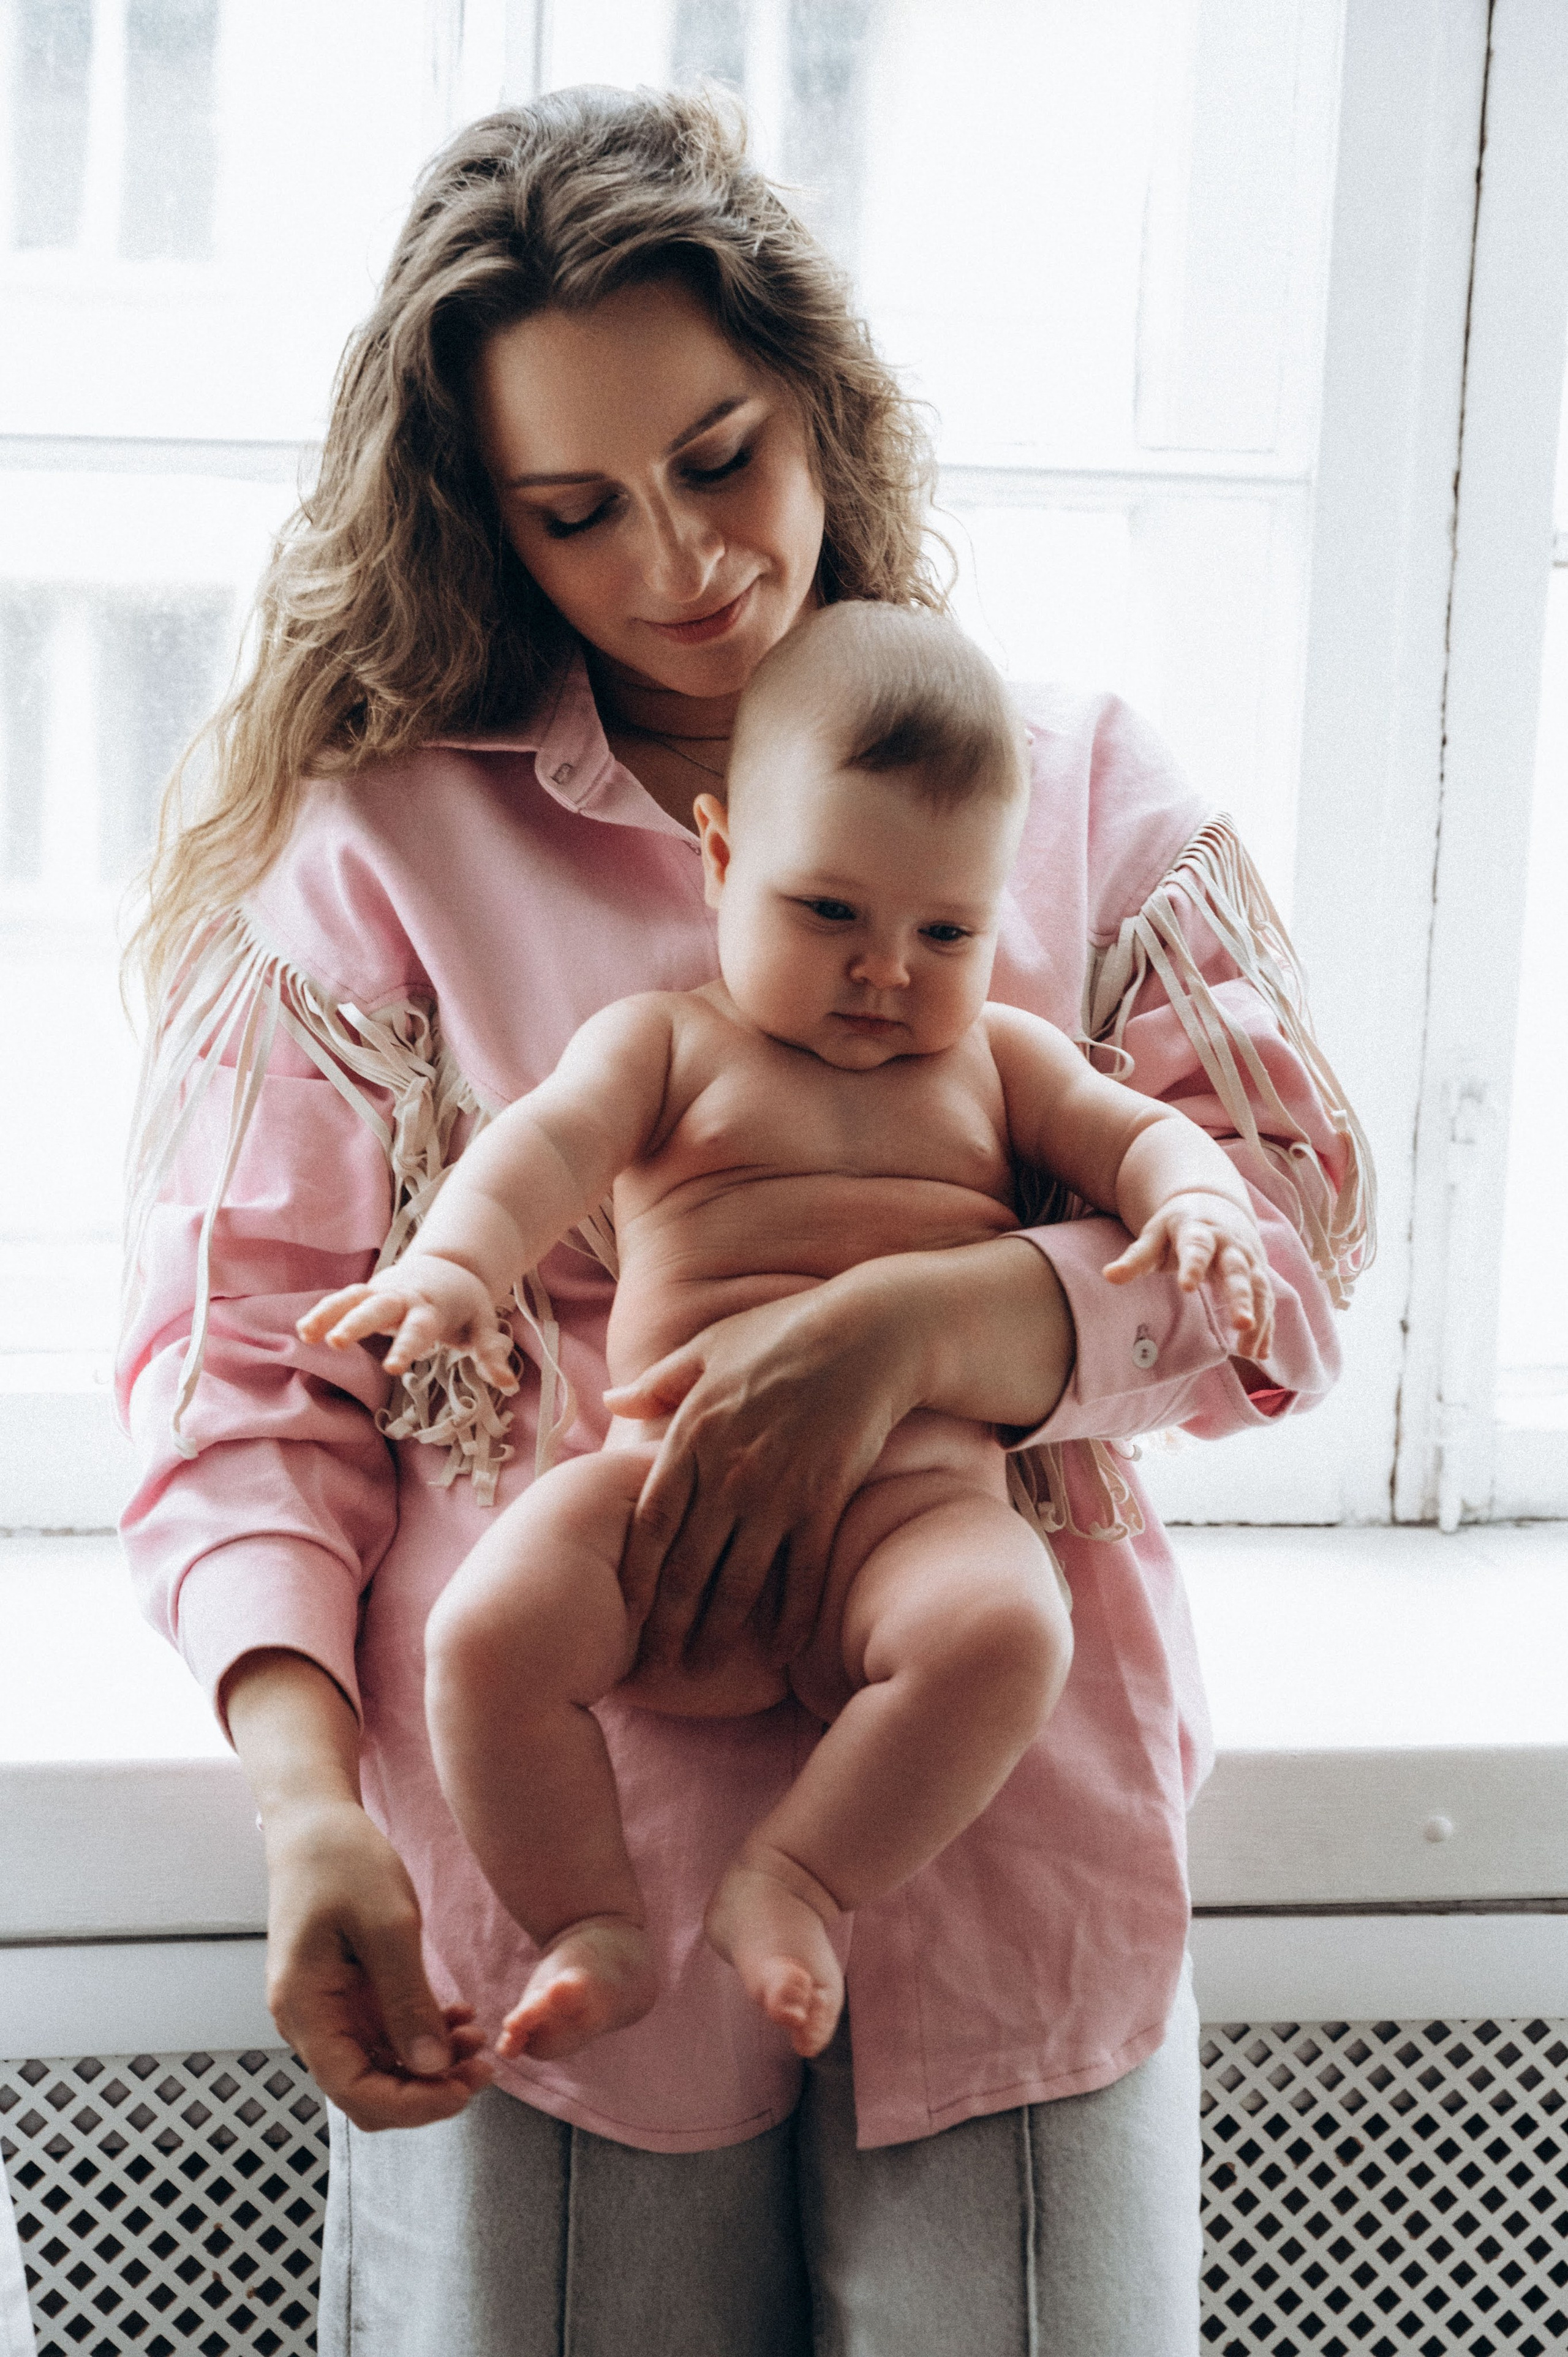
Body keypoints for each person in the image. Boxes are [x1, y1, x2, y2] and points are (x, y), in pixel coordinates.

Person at [118, 83, 1371, 2357]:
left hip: (1002, 1808)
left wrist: (931, 1329)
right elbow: (244, 1374)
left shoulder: (1057, 777)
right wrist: (314, 1809)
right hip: (551, 1822)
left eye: (722, 458)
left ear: (820, 393)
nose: (683, 560)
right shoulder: (390, 847)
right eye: (577, 512)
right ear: (483, 524)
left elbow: (1278, 1264)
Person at [299, 600, 1276, 2074]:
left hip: (906, 1518)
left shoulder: (997, 1058)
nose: (885, 971)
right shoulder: (665, 1043)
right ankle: (591, 1923)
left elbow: (1140, 1135)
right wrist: (452, 1269)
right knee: (487, 1631)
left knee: (1010, 1628)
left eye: (943, 929)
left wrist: (1196, 1203)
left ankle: (799, 1876)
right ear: (719, 857)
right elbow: (536, 1151)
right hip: (655, 1498)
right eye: (829, 913)